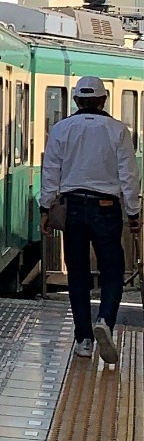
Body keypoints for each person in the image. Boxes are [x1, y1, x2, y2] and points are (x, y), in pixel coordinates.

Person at [40, 76, 141, 365]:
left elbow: (51, 173)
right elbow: (128, 176)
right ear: (104, 99)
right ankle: (105, 321)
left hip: (73, 208)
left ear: (75, 101)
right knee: (113, 270)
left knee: (78, 275)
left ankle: (83, 340)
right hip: (107, 207)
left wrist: (45, 209)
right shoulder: (118, 131)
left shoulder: (61, 129)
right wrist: (133, 213)